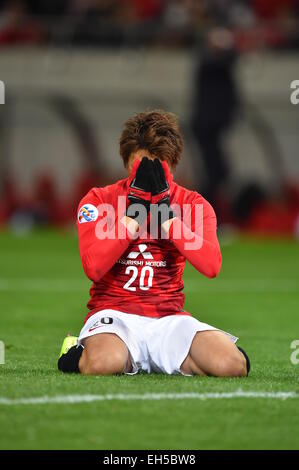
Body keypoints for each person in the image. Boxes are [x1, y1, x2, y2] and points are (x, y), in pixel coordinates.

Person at [58, 109, 250, 377]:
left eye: (157, 168)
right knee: (103, 364)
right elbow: (94, 267)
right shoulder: (98, 200)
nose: (149, 177)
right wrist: (134, 214)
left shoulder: (194, 204)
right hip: (114, 314)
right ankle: (73, 350)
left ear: (172, 164)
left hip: (167, 317)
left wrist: (167, 217)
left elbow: (211, 266)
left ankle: (161, 358)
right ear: (126, 165)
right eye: (141, 169)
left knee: (231, 365)